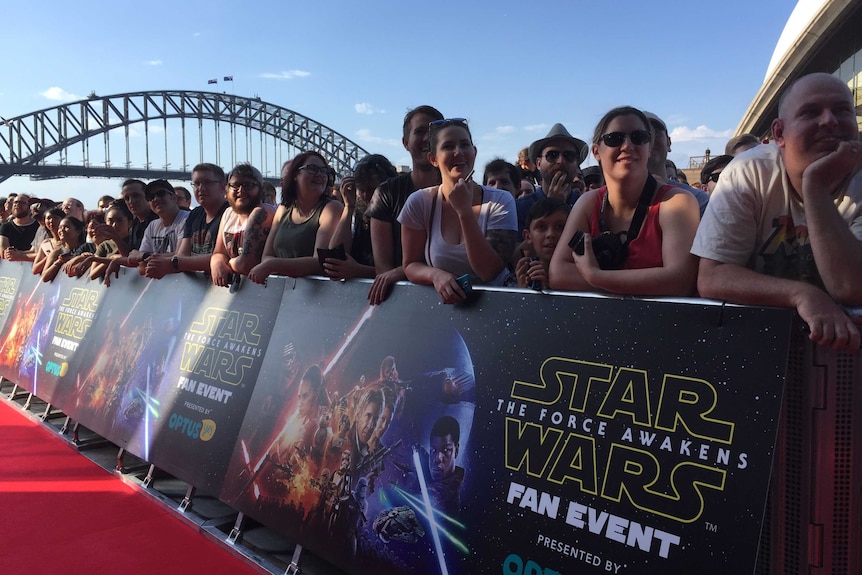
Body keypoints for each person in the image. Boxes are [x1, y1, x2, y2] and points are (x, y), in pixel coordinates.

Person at [693, 72, 862, 353]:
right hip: (757, 345)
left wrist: (815, 186)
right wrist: (800, 294)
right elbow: (712, 277)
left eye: (842, 110)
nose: (830, 120)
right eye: (811, 112)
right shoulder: (749, 172)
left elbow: (852, 287)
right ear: (779, 134)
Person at [549, 106, 700, 296]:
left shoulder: (676, 202)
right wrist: (649, 282)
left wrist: (596, 276)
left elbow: (680, 281)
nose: (628, 146)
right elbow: (559, 273)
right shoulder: (588, 203)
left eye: (639, 137)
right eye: (615, 139)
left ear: (649, 147)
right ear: (596, 151)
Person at [399, 118, 518, 304]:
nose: (458, 152)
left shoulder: (501, 201)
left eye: (465, 145)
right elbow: (410, 264)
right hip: (446, 310)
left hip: (498, 307)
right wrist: (435, 275)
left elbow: (488, 271)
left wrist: (464, 212)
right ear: (433, 159)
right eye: (448, 146)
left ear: (474, 152)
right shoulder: (420, 202)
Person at [365, 105, 444, 304]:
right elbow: (383, 271)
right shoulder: (387, 193)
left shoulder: (464, 192)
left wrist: (402, 271)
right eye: (420, 132)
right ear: (405, 142)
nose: (427, 138)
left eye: (434, 131)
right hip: (402, 302)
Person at [248, 151, 341, 283]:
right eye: (312, 169)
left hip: (314, 295)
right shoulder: (283, 209)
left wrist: (273, 265)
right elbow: (266, 256)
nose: (320, 174)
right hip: (281, 291)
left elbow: (319, 262)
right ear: (295, 175)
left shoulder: (331, 208)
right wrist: (271, 264)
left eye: (324, 170)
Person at [144, 163, 228, 279]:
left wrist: (171, 264)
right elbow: (182, 255)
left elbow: (223, 256)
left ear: (222, 187)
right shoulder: (195, 215)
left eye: (207, 182)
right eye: (197, 184)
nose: (201, 188)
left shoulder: (230, 213)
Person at [324, 154, 397, 282]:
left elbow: (399, 268)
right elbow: (335, 255)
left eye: (371, 189)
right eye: (361, 189)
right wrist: (348, 207)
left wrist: (358, 271)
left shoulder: (399, 215)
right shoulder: (359, 213)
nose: (365, 195)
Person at [104, 180, 189, 286]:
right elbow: (140, 265)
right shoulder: (151, 225)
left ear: (174, 197)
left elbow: (182, 255)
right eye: (151, 197)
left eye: (161, 193)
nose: (156, 199)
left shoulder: (188, 219)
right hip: (163, 288)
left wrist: (144, 257)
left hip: (185, 288)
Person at [515, 123, 589, 232]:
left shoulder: (587, 207)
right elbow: (518, 249)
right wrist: (551, 206)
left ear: (577, 164)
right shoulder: (519, 208)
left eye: (569, 156)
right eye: (552, 155)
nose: (561, 161)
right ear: (538, 163)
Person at [210, 163, 276, 286]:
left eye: (248, 185)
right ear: (227, 190)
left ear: (260, 190)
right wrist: (217, 263)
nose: (241, 190)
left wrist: (227, 264)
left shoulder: (263, 213)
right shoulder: (228, 214)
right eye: (235, 186)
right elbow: (219, 252)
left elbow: (246, 265)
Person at [643, 111, 710, 218]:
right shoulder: (611, 200)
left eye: (656, 132)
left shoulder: (698, 200)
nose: (651, 140)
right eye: (642, 135)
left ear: (669, 143)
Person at [514, 197, 570, 290]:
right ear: (528, 236)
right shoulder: (521, 276)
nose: (550, 234)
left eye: (560, 226)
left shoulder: (583, 275)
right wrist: (523, 293)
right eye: (541, 227)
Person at [427, 416, 464, 516]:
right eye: (433, 450)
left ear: (456, 451)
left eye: (446, 450)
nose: (438, 458)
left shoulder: (452, 494)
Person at [41, 216, 85, 282]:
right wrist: (59, 262)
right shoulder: (57, 253)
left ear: (78, 232)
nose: (61, 230)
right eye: (60, 227)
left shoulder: (86, 248)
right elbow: (44, 277)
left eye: (66, 227)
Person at [1, 194, 39, 260]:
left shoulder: (38, 226)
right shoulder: (5, 227)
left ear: (29, 207)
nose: (17, 205)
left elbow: (40, 253)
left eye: (22, 203)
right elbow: (4, 252)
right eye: (15, 202)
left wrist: (18, 255)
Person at [31, 207, 64, 275]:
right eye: (48, 218)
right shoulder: (46, 243)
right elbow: (35, 269)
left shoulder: (68, 242)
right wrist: (49, 257)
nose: (51, 220)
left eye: (56, 218)